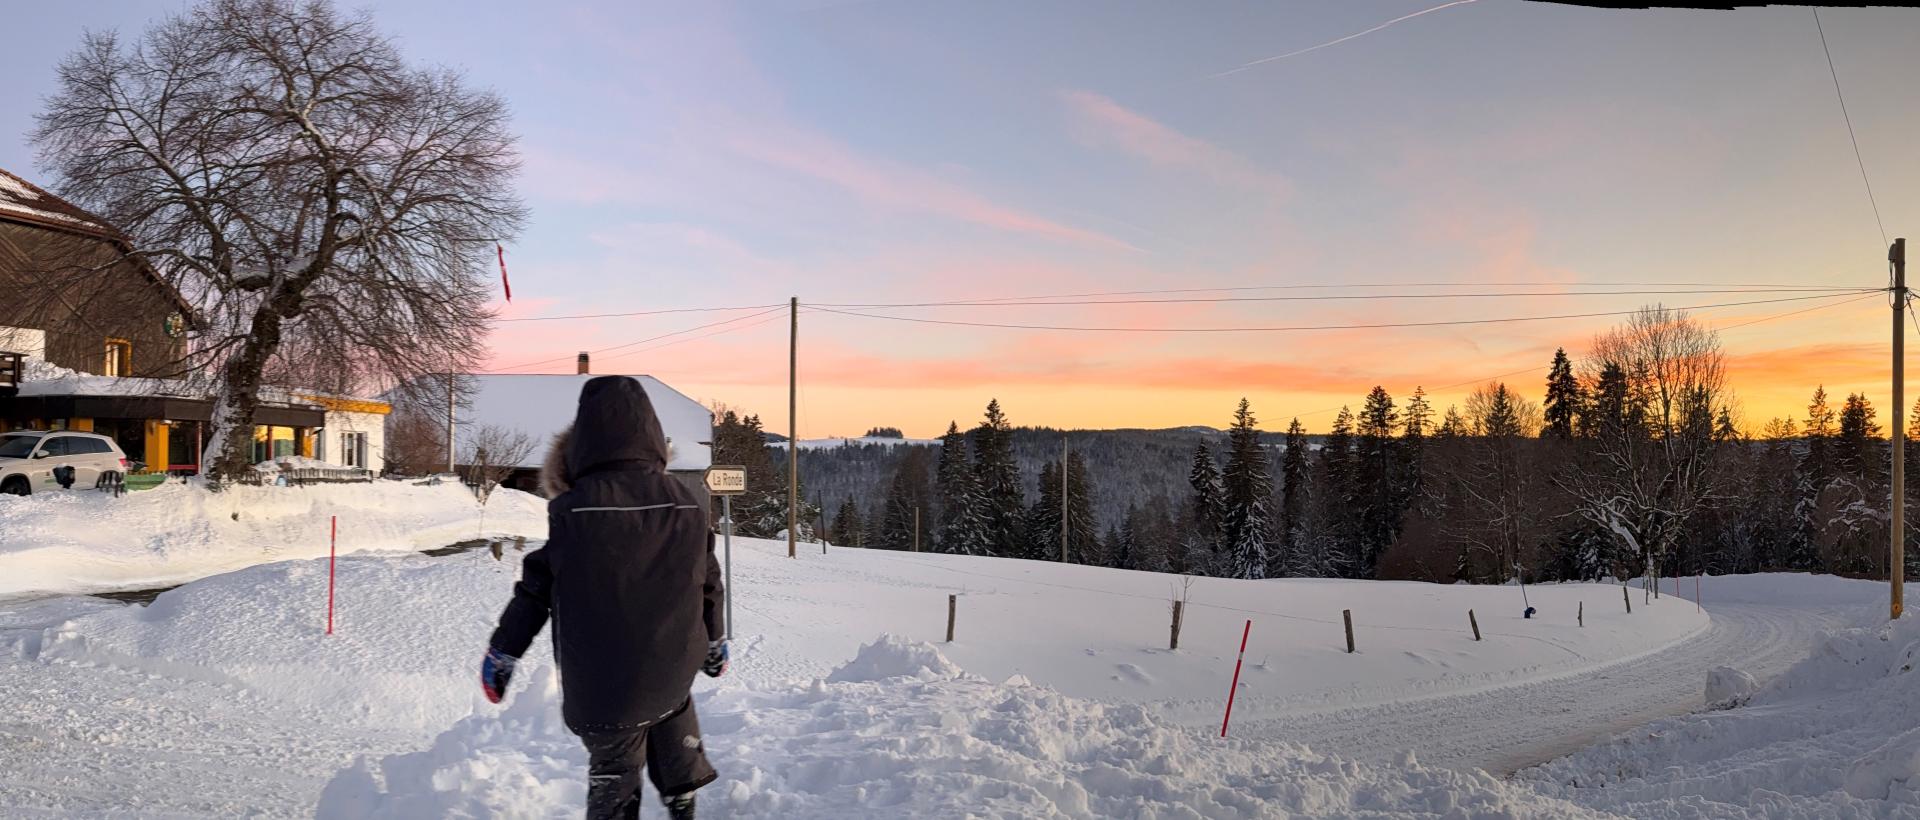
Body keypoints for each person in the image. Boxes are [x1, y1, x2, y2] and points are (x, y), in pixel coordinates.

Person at [479, 376, 728, 820]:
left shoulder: (572, 512)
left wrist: (503, 653)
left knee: (615, 760)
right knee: (672, 704)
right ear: (652, 436)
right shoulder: (688, 506)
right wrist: (715, 641)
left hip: (601, 685)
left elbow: (534, 592)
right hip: (672, 665)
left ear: (582, 448)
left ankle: (618, 798)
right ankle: (683, 795)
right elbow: (708, 581)